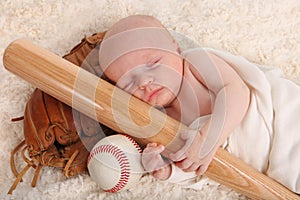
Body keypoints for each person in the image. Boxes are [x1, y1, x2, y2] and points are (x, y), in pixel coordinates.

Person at [98, 15, 300, 193]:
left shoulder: (195, 63)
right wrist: (165, 168)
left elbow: (236, 92)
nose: (144, 82)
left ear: (176, 47)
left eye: (152, 63)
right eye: (128, 82)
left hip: (285, 124)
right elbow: (196, 167)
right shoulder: (158, 121)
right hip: (273, 169)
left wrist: (207, 136)